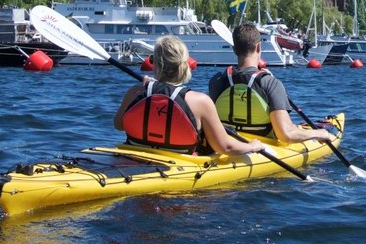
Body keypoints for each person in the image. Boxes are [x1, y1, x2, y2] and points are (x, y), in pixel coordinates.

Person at [114, 35, 266, 156]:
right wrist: (252, 146)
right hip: (180, 168)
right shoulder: (200, 101)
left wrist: (150, 89)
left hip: (135, 157)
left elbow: (119, 125)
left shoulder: (136, 92)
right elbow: (225, 147)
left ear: (156, 64)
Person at [208, 22, 337, 144]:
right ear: (258, 47)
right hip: (263, 147)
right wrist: (319, 133)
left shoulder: (217, 80)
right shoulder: (270, 83)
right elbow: (286, 135)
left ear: (234, 49)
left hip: (227, 143)